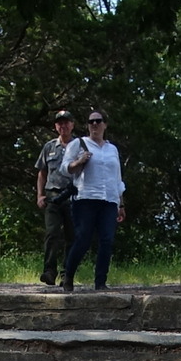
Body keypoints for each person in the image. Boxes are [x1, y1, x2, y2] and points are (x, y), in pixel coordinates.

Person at [59, 110, 125, 292]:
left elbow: (117, 177)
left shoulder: (112, 149)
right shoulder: (78, 144)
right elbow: (64, 169)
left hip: (109, 200)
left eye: (98, 121)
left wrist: (121, 203)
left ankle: (100, 282)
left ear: (105, 124)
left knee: (107, 240)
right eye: (91, 122)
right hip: (85, 198)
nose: (94, 125)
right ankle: (68, 276)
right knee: (83, 239)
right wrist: (79, 161)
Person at [30, 110, 79, 286]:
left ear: (72, 124)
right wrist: (40, 195)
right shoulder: (49, 147)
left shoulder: (80, 146)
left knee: (72, 236)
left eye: (66, 122)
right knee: (52, 234)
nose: (63, 126)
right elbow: (42, 173)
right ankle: (49, 271)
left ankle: (67, 273)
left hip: (74, 195)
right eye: (59, 123)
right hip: (53, 195)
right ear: (55, 126)